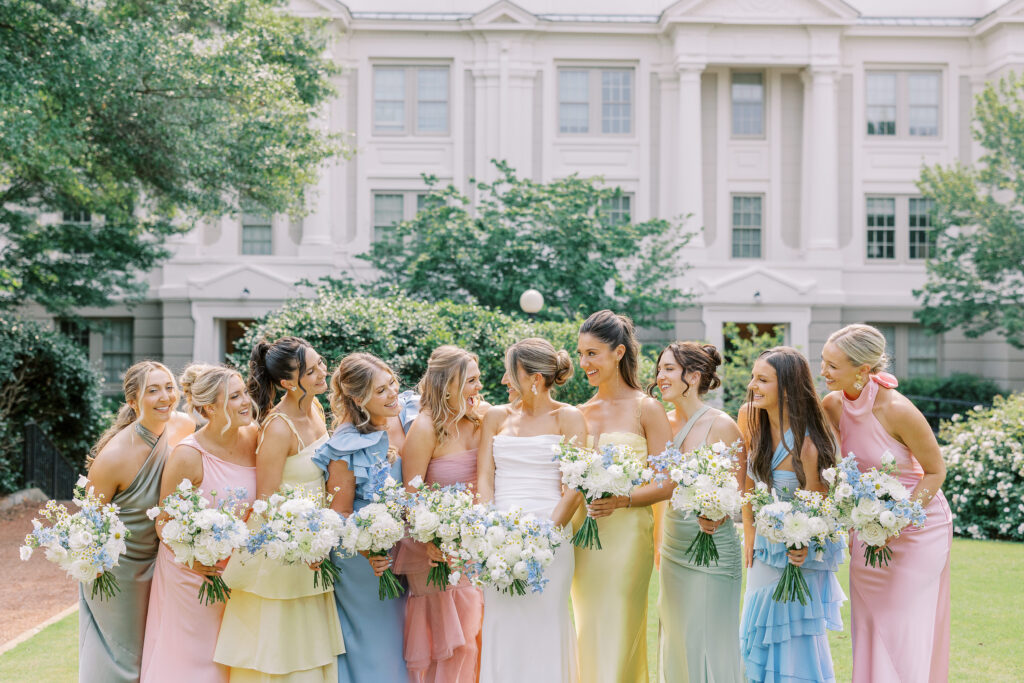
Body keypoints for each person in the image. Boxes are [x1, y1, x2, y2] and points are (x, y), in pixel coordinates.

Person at [821, 324, 951, 683]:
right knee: (870, 622)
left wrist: (897, 522)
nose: (823, 371)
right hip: (866, 527)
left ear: (862, 369)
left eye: (833, 365)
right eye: (823, 361)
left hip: (919, 528)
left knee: (904, 625)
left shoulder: (897, 410)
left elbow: (935, 472)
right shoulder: (831, 404)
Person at [214, 337, 344, 681]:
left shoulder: (316, 410)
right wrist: (302, 543)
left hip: (314, 543)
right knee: (278, 650)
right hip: (283, 550)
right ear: (288, 382)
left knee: (309, 647)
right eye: (311, 370)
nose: (322, 372)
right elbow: (266, 500)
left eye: (320, 363)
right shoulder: (277, 427)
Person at [476, 338, 586, 683]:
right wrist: (489, 529)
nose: (504, 381)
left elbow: (575, 486)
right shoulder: (496, 416)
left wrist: (544, 537)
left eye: (511, 373)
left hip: (551, 537)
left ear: (535, 379)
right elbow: (484, 477)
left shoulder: (569, 417)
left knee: (545, 623)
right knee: (502, 624)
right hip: (497, 540)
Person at [572, 310, 672, 683]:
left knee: (620, 624)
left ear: (618, 352)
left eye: (592, 354)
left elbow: (667, 482)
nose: (584, 363)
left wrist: (623, 499)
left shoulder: (648, 408)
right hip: (583, 538)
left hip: (628, 539)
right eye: (581, 354)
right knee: (586, 626)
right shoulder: (579, 412)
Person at [142, 364, 258, 683]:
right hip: (191, 575)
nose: (246, 401)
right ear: (209, 407)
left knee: (231, 660)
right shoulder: (188, 455)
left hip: (237, 573)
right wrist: (195, 557)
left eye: (244, 393)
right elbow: (163, 521)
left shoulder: (254, 436)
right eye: (234, 396)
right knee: (192, 661)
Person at [80, 361, 194, 683]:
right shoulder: (114, 456)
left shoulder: (184, 426)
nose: (165, 397)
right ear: (133, 401)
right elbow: (88, 524)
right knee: (125, 656)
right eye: (153, 390)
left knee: (161, 650)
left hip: (165, 559)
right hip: (120, 571)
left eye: (169, 387)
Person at [738, 347, 845, 683]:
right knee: (756, 634)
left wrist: (802, 545)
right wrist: (749, 530)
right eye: (753, 377)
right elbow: (748, 482)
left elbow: (820, 504)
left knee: (792, 640)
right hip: (763, 552)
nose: (753, 385)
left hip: (799, 552)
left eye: (762, 380)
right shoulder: (751, 417)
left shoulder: (808, 442)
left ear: (786, 388)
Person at [312, 352, 415, 683]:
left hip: (395, 555)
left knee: (399, 644)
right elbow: (338, 513)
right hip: (363, 562)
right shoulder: (346, 446)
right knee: (377, 648)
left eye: (392, 383)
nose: (393, 393)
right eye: (381, 390)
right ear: (358, 399)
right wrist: (369, 549)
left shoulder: (397, 420)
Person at [651, 342, 745, 682]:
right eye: (659, 369)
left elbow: (737, 493)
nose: (660, 376)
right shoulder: (662, 425)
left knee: (709, 642)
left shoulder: (722, 426)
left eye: (669, 369)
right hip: (673, 549)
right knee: (677, 641)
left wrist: (716, 511)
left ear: (693, 376)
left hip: (713, 551)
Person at [394, 346, 487, 682]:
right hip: (435, 553)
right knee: (451, 646)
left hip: (475, 546)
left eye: (478, 379)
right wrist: (429, 541)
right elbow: (410, 498)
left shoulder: (481, 419)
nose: (479, 387)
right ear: (448, 386)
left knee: (477, 638)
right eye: (471, 381)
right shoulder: (425, 428)